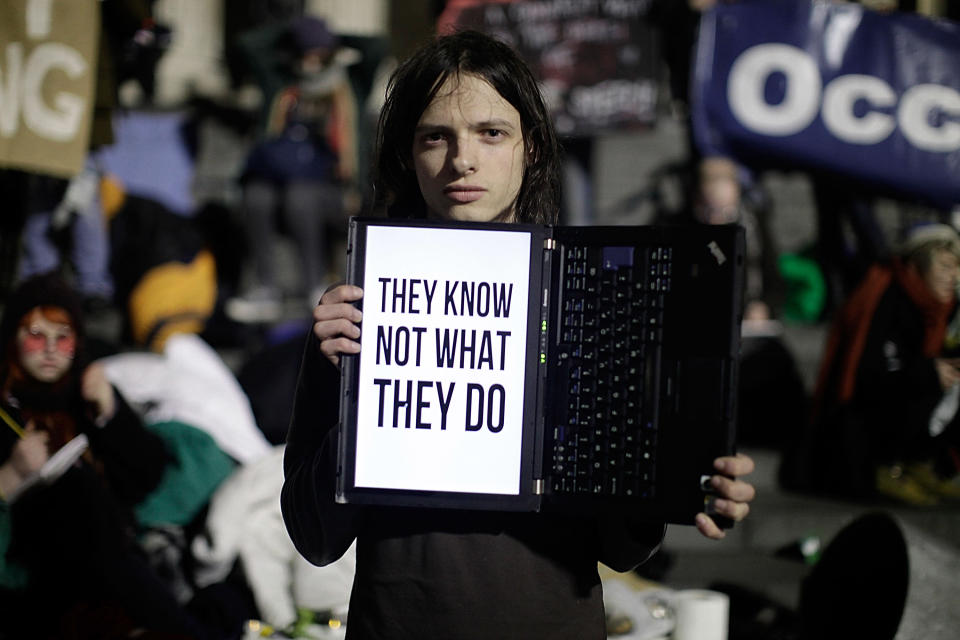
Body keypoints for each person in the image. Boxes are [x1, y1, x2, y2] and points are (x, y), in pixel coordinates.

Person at [281, 30, 755, 639]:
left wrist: (690, 485)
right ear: (408, 154)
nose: (463, 160)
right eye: (436, 136)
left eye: (491, 132)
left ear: (530, 147)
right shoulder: (354, 316)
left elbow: (623, 547)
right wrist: (357, 396)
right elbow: (314, 539)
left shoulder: (591, 305)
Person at [0, 273, 210, 638]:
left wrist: (111, 414)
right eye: (36, 335)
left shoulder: (83, 393)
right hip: (31, 579)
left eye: (62, 337)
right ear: (13, 339)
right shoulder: (4, 409)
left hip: (110, 569)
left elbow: (146, 478)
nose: (50, 349)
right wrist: (10, 478)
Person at [789, 224, 960, 504]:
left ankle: (927, 466)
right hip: (862, 428)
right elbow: (870, 380)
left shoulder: (942, 309)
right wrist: (929, 373)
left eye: (956, 269)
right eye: (944, 267)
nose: (951, 277)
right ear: (917, 265)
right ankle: (890, 469)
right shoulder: (886, 296)